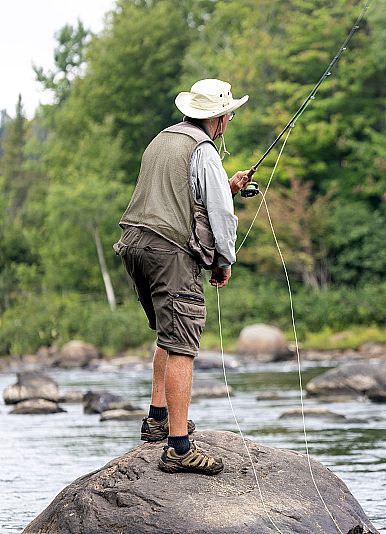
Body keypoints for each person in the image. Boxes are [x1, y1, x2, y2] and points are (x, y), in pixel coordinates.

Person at [114, 79, 252, 475]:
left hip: (134, 245)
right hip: (169, 251)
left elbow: (176, 196)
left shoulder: (162, 139)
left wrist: (225, 187)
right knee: (182, 346)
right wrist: (224, 260)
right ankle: (178, 447)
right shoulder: (204, 150)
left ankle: (157, 418)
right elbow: (222, 217)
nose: (229, 121)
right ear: (220, 119)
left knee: (167, 333)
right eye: (229, 115)